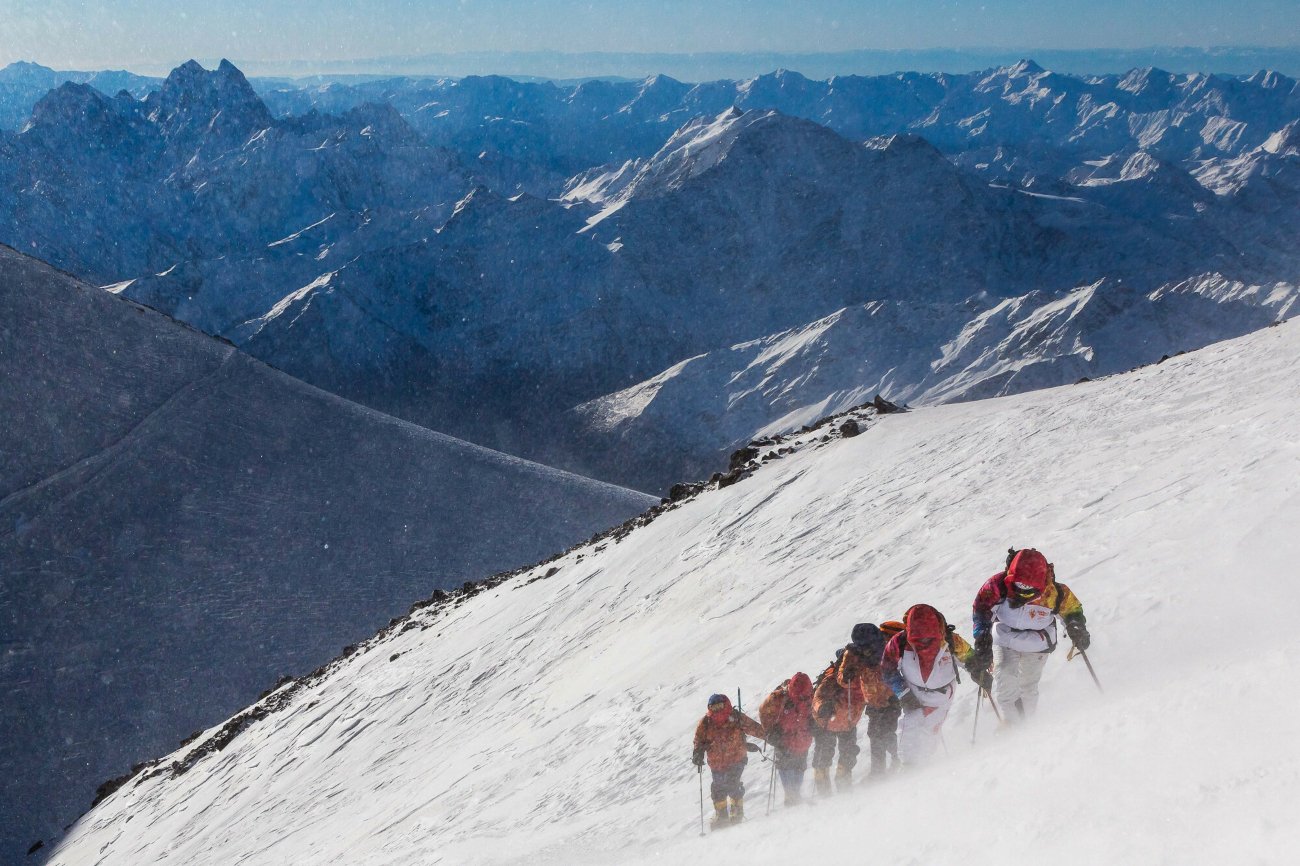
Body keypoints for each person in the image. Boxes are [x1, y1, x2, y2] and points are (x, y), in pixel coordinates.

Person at [971, 548, 1090, 721]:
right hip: (1004, 638)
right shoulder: (996, 586)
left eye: (1030, 589)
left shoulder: (1054, 592)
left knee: (1028, 684)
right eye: (1018, 586)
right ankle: (1011, 724)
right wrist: (982, 638)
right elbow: (981, 610)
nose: (1023, 593)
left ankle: (1028, 723)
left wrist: (1076, 626)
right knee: (1005, 678)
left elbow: (1072, 610)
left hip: (1038, 643)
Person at [882, 603, 988, 767]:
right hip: (913, 693)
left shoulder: (951, 640)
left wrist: (979, 673)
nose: (923, 643)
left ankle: (925, 764)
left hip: (942, 695)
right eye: (918, 639)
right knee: (910, 726)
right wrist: (903, 693)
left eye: (928, 639)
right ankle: (908, 766)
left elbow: (969, 658)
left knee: (931, 731)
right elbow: (887, 669)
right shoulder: (899, 643)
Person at [811, 623, 891, 793]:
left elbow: (872, 688)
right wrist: (822, 708)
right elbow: (818, 697)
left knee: (846, 754)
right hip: (829, 723)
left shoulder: (861, 673)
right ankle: (827, 790)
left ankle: (841, 787)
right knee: (827, 755)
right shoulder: (832, 678)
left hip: (846, 722)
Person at [692, 693, 766, 828]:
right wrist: (698, 752)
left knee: (732, 783)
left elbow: (753, 728)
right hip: (716, 763)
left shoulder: (736, 717)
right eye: (713, 707)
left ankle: (736, 812)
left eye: (720, 705)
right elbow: (699, 739)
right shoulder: (706, 722)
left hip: (737, 759)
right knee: (718, 788)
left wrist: (768, 735)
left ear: (725, 704)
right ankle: (722, 816)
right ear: (709, 707)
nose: (717, 709)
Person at [759, 673, 815, 805]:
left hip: (802, 738)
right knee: (786, 766)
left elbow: (816, 710)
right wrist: (769, 730)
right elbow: (764, 711)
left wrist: (815, 723)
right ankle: (791, 795)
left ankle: (794, 794)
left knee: (799, 767)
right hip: (785, 739)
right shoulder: (780, 697)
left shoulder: (809, 696)